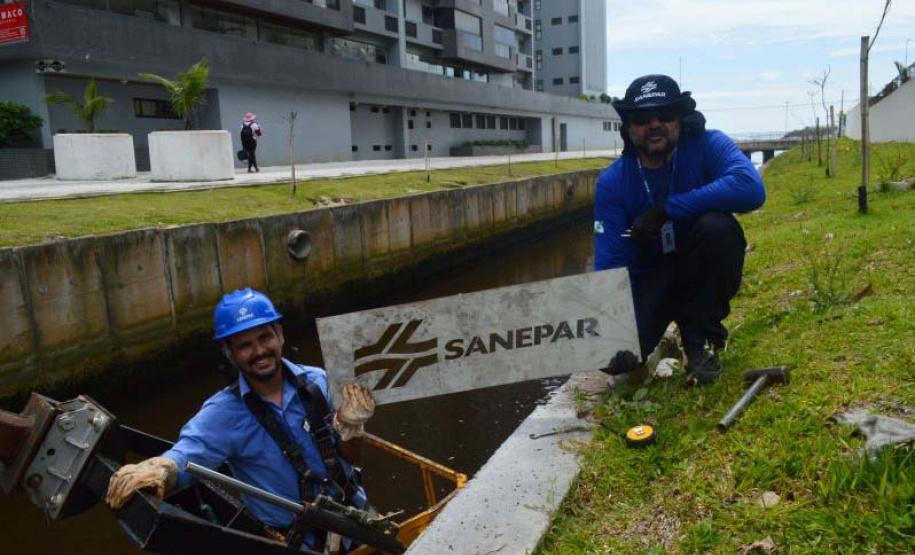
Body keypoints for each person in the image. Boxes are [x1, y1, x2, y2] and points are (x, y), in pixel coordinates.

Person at [106, 288, 376, 552]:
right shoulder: (223, 415)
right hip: (300, 544)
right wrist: (159, 470)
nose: (259, 351)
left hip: (361, 527)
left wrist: (352, 429)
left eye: (264, 337)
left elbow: (351, 458)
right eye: (244, 345)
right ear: (229, 353)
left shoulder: (319, 383)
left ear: (279, 335)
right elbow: (186, 456)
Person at [595, 74, 765, 384]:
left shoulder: (708, 143)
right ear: (628, 126)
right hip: (651, 277)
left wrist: (667, 209)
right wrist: (615, 326)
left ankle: (699, 342)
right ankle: (649, 334)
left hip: (698, 265)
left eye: (666, 115)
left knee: (719, 228)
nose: (655, 124)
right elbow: (609, 263)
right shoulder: (612, 181)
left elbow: (751, 189)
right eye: (643, 118)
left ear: (682, 120)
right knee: (611, 358)